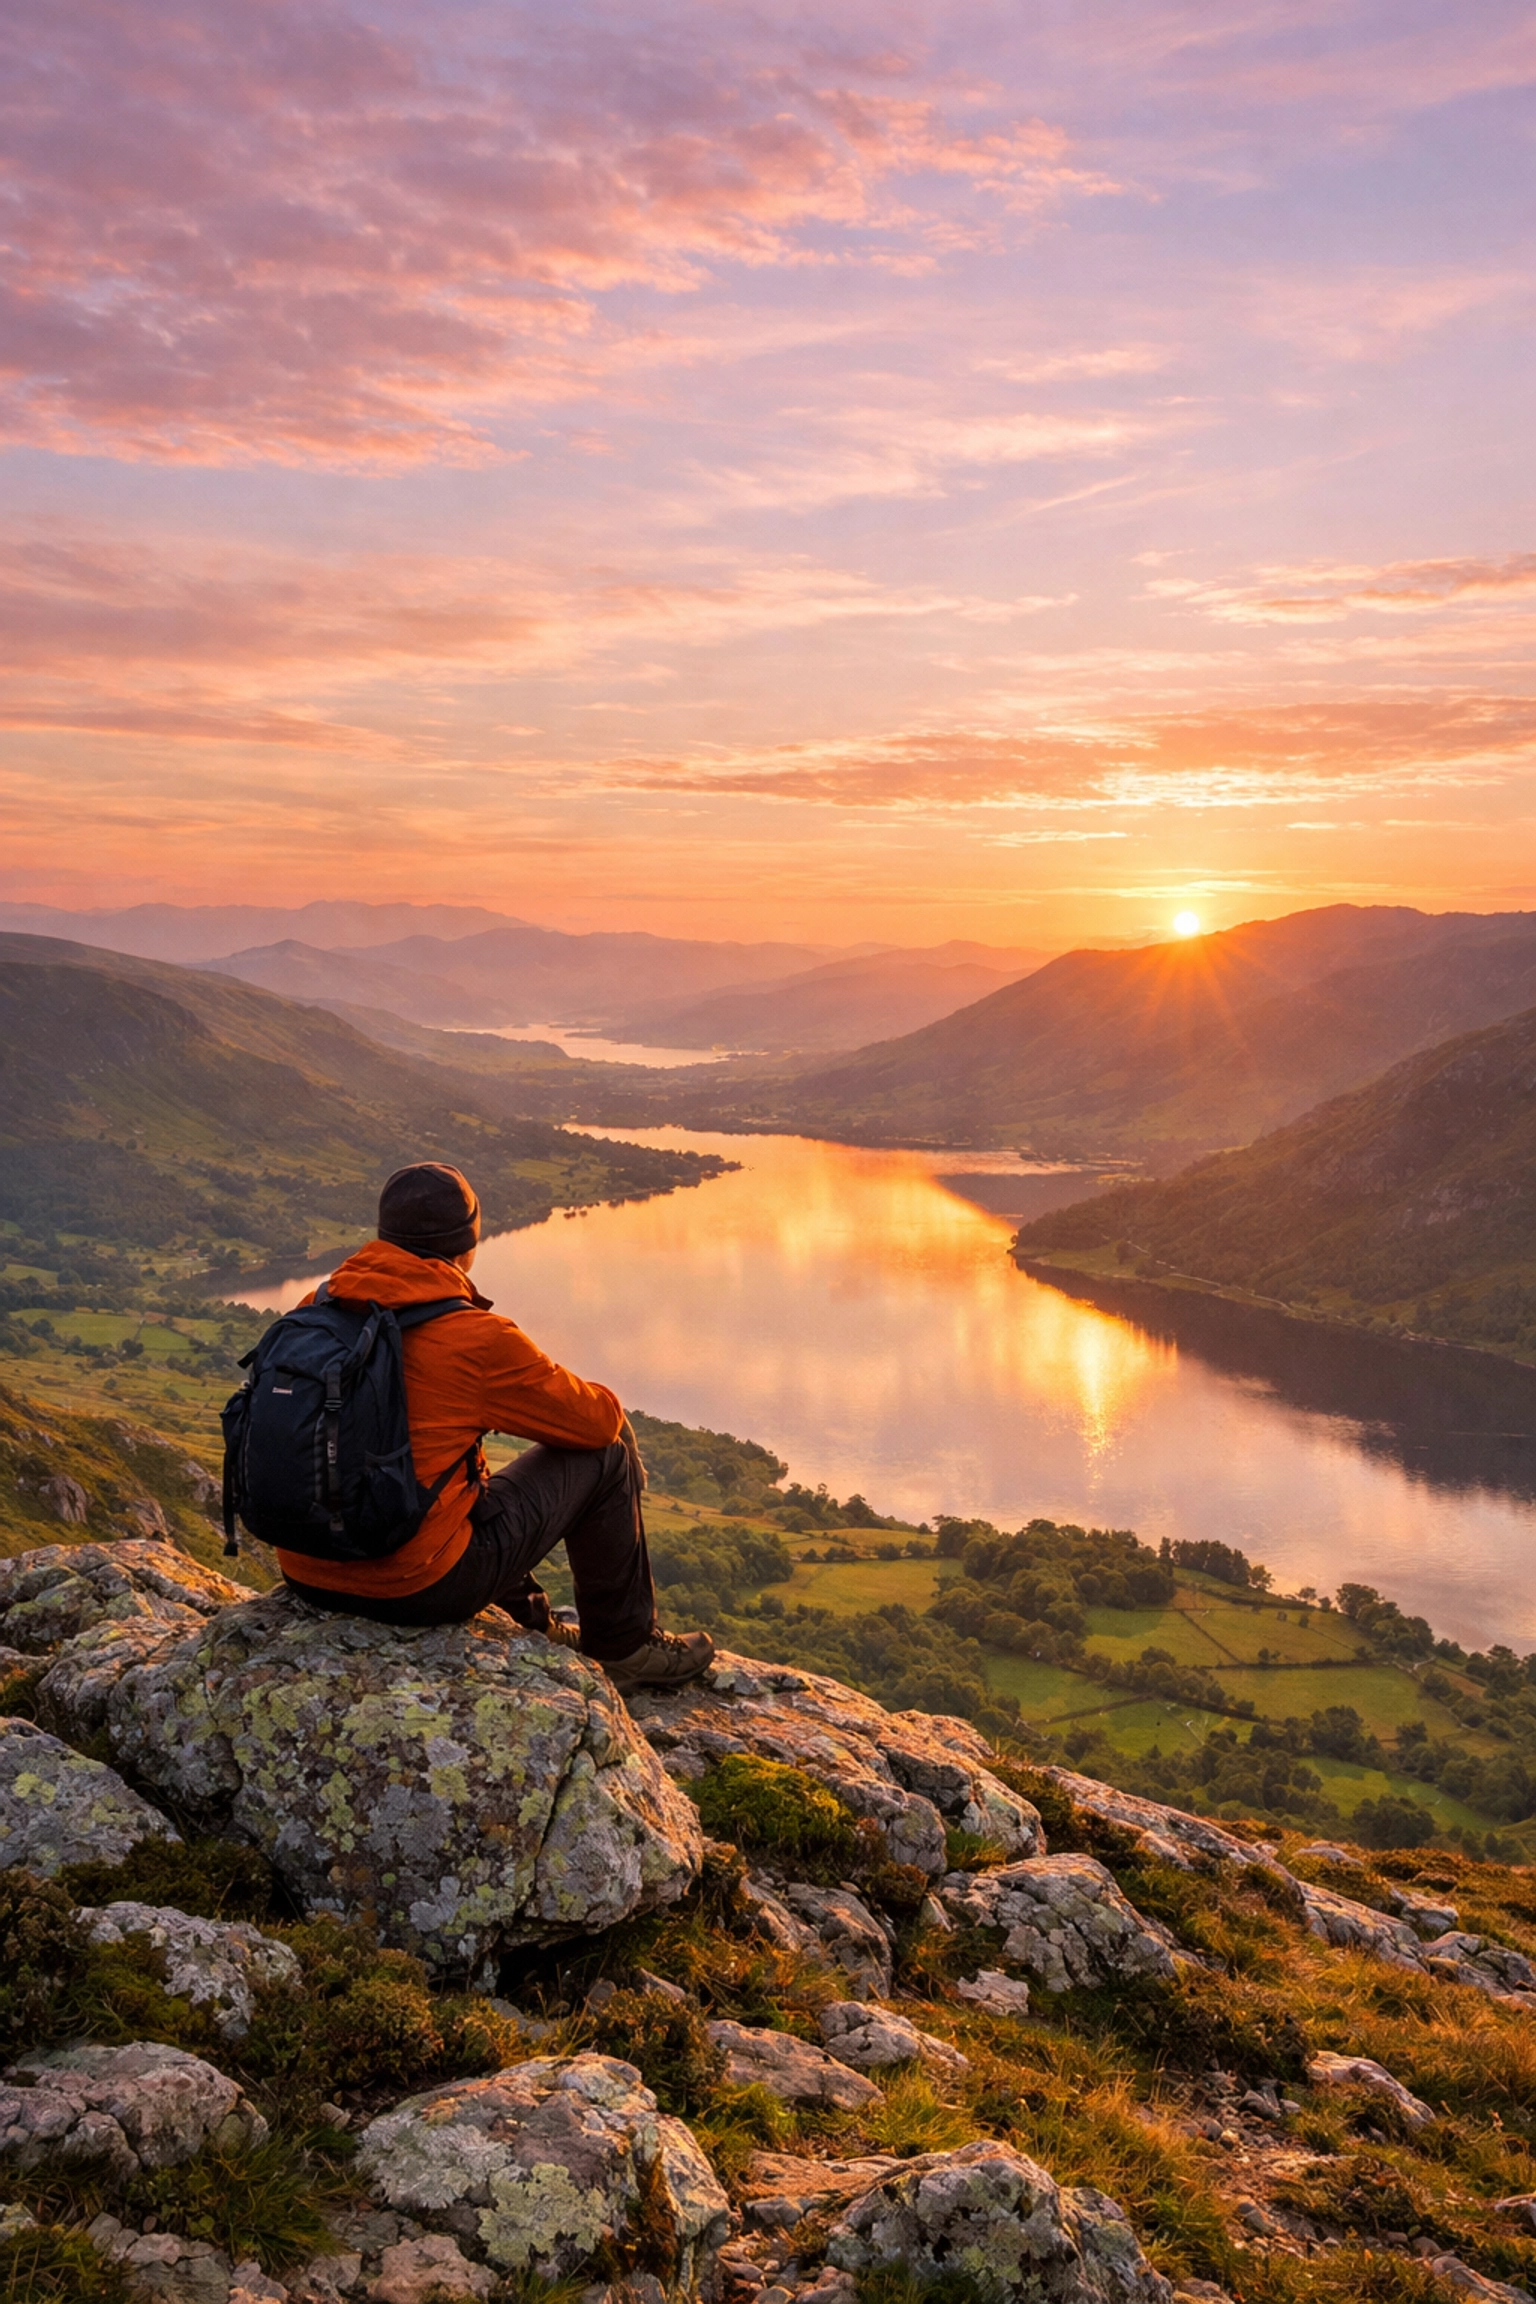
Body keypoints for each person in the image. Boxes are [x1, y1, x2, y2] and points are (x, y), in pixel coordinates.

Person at [277, 1159, 715, 1694]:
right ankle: (623, 1647)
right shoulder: (475, 1338)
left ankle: (531, 1619)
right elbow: (596, 1423)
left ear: (384, 1235)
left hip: (305, 1570)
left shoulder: (316, 1307)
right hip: (416, 1587)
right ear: (467, 1246)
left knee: (452, 1471)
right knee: (604, 1455)